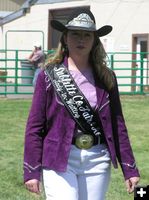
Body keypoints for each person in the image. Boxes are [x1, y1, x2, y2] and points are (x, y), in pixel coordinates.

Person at [23, 8, 140, 200]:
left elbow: (118, 125)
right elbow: (35, 126)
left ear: (94, 40)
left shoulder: (107, 77)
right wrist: (31, 170)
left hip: (97, 159)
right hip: (58, 158)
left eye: (87, 35)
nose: (81, 39)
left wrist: (130, 168)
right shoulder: (48, 75)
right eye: (75, 34)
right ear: (65, 38)